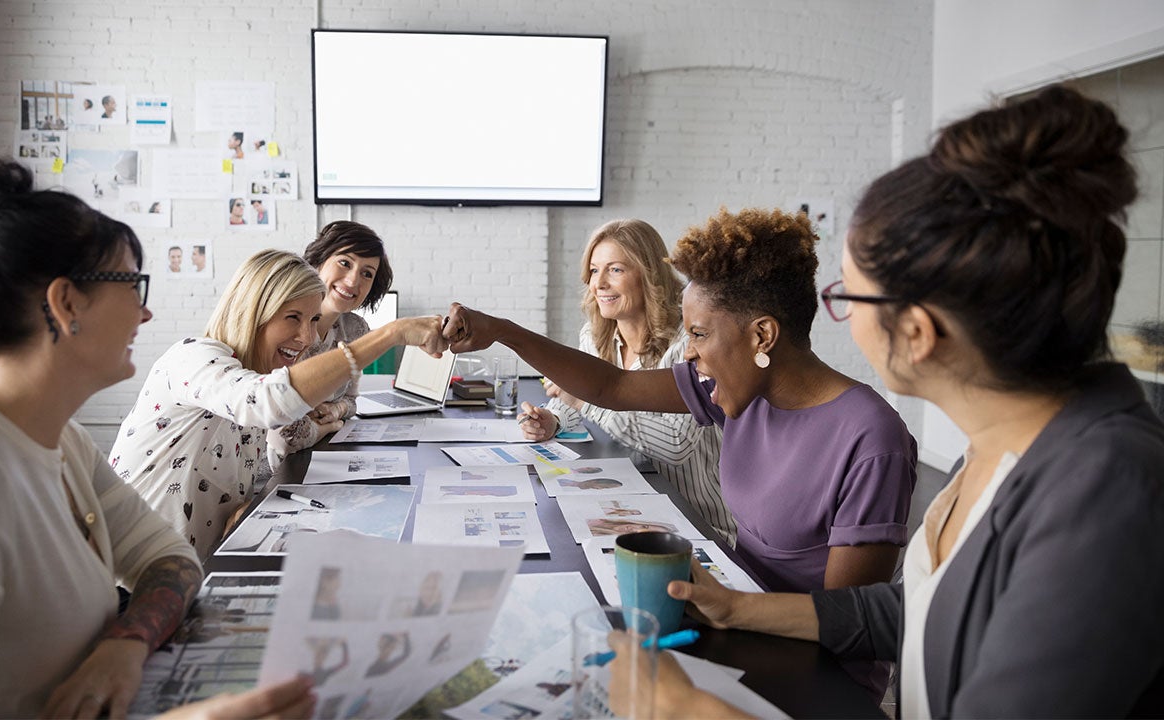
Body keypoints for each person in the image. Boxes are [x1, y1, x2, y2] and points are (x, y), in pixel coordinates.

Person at [615, 86, 1164, 718]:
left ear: (918, 332)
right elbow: (921, 605)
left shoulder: (1105, 490)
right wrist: (740, 607)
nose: (839, 316)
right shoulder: (1004, 445)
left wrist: (689, 708)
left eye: (850, 295)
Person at [444, 208, 916, 594]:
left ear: (762, 336)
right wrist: (502, 331)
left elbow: (847, 621)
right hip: (734, 599)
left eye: (699, 335)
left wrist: (721, 604)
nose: (688, 352)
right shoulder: (736, 387)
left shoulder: (872, 440)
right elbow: (612, 388)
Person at [0, 158, 209, 717]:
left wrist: (124, 644)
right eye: (133, 284)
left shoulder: (64, 441)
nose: (146, 310)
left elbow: (170, 557)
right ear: (66, 304)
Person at [110, 249, 447, 558]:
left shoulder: (256, 374)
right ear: (252, 311)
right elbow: (269, 402)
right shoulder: (192, 357)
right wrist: (391, 334)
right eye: (293, 318)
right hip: (130, 583)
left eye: (314, 320)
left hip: (189, 571)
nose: (308, 338)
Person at [517, 219, 735, 544]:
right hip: (633, 505)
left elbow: (677, 445)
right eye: (594, 271)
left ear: (648, 274)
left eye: (615, 270)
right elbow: (575, 399)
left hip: (698, 522)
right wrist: (555, 418)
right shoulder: (596, 335)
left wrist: (585, 398)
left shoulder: (688, 343)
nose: (599, 283)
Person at [294, 221, 395, 427]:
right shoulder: (286, 324)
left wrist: (336, 410)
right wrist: (335, 425)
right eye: (345, 263)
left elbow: (350, 400)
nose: (352, 281)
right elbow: (282, 434)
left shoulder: (356, 329)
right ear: (318, 261)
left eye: (367, 274)